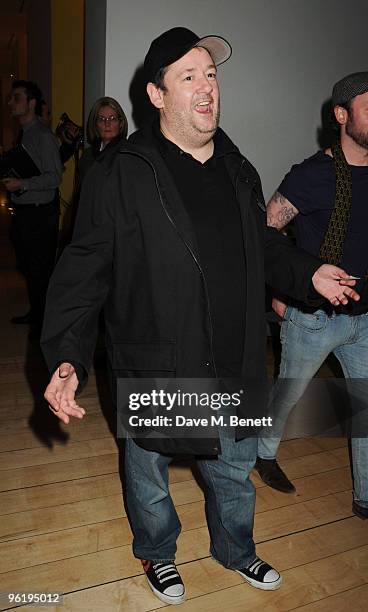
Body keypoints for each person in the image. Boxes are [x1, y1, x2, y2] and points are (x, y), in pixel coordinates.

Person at [41, 29, 359, 605]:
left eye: (210, 74)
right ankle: (158, 553)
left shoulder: (239, 169)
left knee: (235, 471)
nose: (206, 87)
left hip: (234, 356)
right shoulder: (122, 172)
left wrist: (306, 272)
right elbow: (84, 267)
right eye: (188, 76)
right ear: (157, 94)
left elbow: (261, 247)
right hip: (158, 359)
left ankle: (236, 551)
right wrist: (66, 355)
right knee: (150, 477)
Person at [256, 72, 368, 520]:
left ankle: (365, 496)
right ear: (342, 116)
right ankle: (263, 454)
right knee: (288, 395)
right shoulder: (313, 174)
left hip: (366, 317)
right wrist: (279, 291)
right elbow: (266, 232)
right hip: (313, 317)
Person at [4, 80, 62, 338]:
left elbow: (55, 177)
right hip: (25, 212)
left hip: (40, 214)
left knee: (41, 272)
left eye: (16, 98)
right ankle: (37, 314)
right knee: (30, 269)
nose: (10, 103)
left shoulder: (42, 135)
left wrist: (22, 183)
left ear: (31, 103)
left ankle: (46, 324)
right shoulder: (25, 133)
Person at [78, 96, 128, 184]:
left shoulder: (128, 154)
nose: (107, 124)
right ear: (95, 124)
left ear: (121, 123)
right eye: (101, 119)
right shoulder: (87, 156)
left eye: (112, 119)